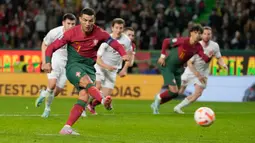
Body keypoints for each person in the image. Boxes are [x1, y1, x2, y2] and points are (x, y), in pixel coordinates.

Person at [42, 8, 128, 135]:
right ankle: (103, 100)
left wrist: (123, 54)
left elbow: (114, 43)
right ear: (80, 20)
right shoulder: (71, 33)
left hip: (89, 68)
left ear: (94, 20)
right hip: (73, 66)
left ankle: (66, 128)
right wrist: (47, 61)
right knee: (86, 81)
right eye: (85, 20)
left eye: (91, 21)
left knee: (84, 96)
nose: (88, 23)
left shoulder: (100, 33)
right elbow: (51, 47)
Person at [151, 24, 213, 114]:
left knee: (175, 93)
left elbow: (205, 58)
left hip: (177, 69)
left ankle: (156, 104)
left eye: (199, 33)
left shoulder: (198, 47)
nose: (197, 35)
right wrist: (162, 56)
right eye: (195, 32)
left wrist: (210, 57)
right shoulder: (183, 41)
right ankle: (158, 97)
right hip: (167, 66)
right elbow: (166, 41)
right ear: (191, 33)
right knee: (174, 90)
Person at [174, 26, 228, 114]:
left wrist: (223, 64)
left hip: (203, 73)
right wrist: (197, 74)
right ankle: (161, 97)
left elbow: (219, 58)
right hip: (191, 70)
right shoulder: (195, 45)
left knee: (198, 94)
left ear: (211, 35)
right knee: (179, 91)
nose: (206, 36)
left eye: (208, 34)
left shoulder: (215, 46)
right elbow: (189, 63)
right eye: (204, 34)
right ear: (201, 35)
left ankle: (178, 107)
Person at [35, 13, 76, 118]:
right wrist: (44, 62)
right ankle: (46, 104)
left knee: (56, 92)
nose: (71, 26)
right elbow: (44, 45)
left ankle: (45, 98)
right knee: (52, 84)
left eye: (73, 24)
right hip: (55, 59)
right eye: (68, 23)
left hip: (68, 64)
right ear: (63, 23)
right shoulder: (54, 32)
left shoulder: (78, 34)